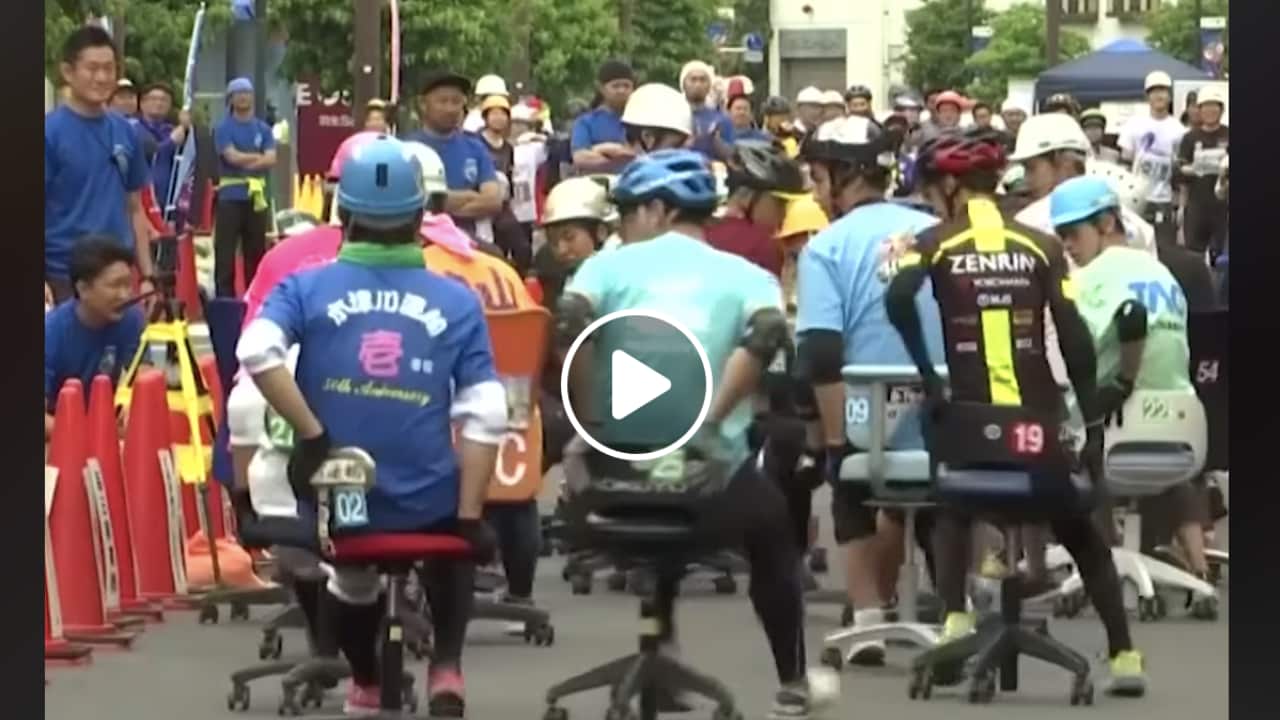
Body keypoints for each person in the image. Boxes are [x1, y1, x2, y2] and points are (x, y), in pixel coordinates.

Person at [236, 135, 507, 716]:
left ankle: (365, 681)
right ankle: (447, 668)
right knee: (452, 546)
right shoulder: (456, 300)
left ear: (343, 215)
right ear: (418, 218)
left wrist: (313, 437)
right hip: (428, 497)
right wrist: (469, 517)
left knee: (351, 581)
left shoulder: (303, 287)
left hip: (343, 501)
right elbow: (486, 411)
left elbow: (256, 351)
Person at [556, 149, 829, 719]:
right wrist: (707, 419)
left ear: (657, 209)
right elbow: (768, 333)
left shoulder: (606, 267)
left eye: (628, 212)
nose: (623, 226)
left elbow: (569, 326)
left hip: (608, 484)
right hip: (708, 489)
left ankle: (661, 653)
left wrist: (591, 425)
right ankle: (794, 682)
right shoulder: (748, 276)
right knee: (774, 534)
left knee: (654, 521)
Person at [882, 129, 1147, 696]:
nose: (930, 200)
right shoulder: (1042, 245)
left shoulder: (929, 241)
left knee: (950, 498)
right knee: (1080, 531)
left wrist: (931, 378)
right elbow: (1073, 338)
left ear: (951, 185)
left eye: (932, 190)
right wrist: (1093, 423)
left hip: (971, 434)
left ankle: (955, 618)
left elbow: (897, 300)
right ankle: (1125, 655)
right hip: (1038, 434)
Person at [796, 115, 944, 666]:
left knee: (852, 483)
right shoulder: (937, 232)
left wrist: (836, 446)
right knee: (926, 498)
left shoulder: (826, 248)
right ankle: (957, 609)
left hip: (870, 418)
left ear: (844, 175)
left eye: (818, 176)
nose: (816, 189)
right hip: (944, 416)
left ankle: (868, 622)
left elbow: (821, 355)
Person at [1048, 175, 1212, 586]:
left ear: (1105, 223)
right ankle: (1199, 564)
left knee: (1051, 425)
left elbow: (1067, 351)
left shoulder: (1092, 279)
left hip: (1118, 434)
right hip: (1181, 431)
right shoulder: (1161, 274)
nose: (1067, 245)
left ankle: (1093, 557)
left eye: (1072, 233)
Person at [46, 26, 156, 304]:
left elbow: (134, 208)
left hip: (118, 277)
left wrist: (147, 277)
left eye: (109, 68)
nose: (102, 77)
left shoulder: (126, 131)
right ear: (68, 72)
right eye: (92, 68)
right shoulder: (50, 133)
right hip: (64, 277)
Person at [44, 237, 145, 438]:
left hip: (106, 427)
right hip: (61, 437)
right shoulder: (51, 332)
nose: (125, 295)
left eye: (128, 284)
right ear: (82, 289)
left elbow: (142, 373)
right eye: (115, 286)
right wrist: (88, 436)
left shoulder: (131, 319)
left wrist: (134, 406)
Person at [404, 70, 504, 244]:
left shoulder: (475, 147)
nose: (450, 108)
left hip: (467, 243)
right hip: (418, 242)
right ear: (423, 104)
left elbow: (493, 201)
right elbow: (407, 201)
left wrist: (439, 203)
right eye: (442, 101)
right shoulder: (405, 148)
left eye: (456, 102)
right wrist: (468, 196)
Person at [212, 77, 276, 297]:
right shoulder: (223, 128)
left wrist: (247, 159)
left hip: (256, 197)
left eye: (246, 93)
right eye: (238, 93)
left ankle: (255, 296)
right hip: (230, 196)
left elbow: (271, 159)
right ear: (231, 99)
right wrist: (257, 158)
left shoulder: (263, 128)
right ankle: (224, 299)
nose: (243, 97)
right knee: (225, 253)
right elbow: (231, 157)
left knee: (256, 251)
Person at [706, 141, 807, 277]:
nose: (783, 215)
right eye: (780, 203)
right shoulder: (763, 246)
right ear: (749, 195)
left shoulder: (699, 230)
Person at [1118, 71, 1186, 245]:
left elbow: (1180, 168)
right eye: (1154, 91)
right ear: (1147, 96)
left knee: (1163, 246)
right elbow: (1125, 159)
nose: (1159, 95)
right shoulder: (1135, 124)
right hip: (1135, 198)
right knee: (1135, 245)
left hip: (1163, 199)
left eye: (1163, 90)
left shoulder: (1178, 129)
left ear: (1169, 95)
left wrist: (1180, 205)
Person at [1176, 86, 1229, 263]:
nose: (1210, 111)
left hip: (1224, 207)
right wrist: (1182, 209)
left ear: (1222, 110)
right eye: (1205, 106)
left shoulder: (1228, 134)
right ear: (1199, 110)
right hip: (1196, 205)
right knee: (1193, 256)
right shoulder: (1189, 138)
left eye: (1215, 106)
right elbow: (1181, 172)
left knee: (1220, 258)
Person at [571, 60, 637, 172]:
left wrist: (602, 150)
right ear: (601, 88)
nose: (621, 90)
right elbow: (580, 158)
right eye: (615, 86)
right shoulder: (586, 122)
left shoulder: (641, 119)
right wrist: (623, 156)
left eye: (626, 86)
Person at [136, 83, 192, 205]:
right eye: (154, 99)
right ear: (142, 104)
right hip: (142, 199)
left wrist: (187, 129)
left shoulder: (172, 130)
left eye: (164, 100)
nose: (159, 103)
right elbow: (150, 153)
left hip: (169, 201)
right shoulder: (133, 129)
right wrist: (171, 142)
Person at [509, 103, 549, 259]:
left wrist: (539, 135)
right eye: (514, 122)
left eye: (522, 123)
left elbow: (553, 147)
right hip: (506, 208)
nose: (517, 127)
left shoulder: (533, 147)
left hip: (525, 208)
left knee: (524, 249)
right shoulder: (500, 146)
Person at [680, 61, 735, 160]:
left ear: (709, 85)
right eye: (693, 80)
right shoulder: (672, 115)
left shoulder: (722, 119)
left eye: (703, 80)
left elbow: (731, 155)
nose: (698, 84)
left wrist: (714, 140)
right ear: (683, 84)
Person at [621, 83, 694, 155]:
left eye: (629, 139)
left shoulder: (627, 165)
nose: (626, 147)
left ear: (647, 137)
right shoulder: (701, 164)